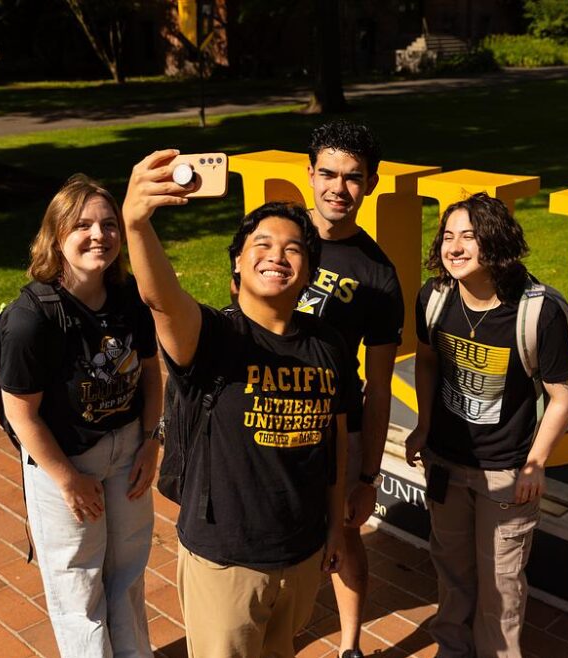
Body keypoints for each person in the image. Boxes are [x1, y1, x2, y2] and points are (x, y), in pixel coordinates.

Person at [121, 149, 352, 658]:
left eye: (294, 249)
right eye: (262, 244)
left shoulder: (327, 343)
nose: (278, 255)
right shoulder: (213, 336)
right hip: (226, 560)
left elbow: (332, 446)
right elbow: (161, 299)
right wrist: (136, 225)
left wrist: (334, 527)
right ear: (238, 262)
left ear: (310, 271)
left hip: (302, 549)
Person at [405, 192, 568, 658]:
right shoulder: (434, 297)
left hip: (506, 472)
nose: (454, 247)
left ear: (496, 244)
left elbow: (565, 393)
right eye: (448, 236)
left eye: (469, 237)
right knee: (451, 568)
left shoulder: (535, 312)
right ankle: (452, 650)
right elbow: (426, 361)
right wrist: (423, 425)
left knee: (501, 583)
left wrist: (535, 464)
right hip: (445, 460)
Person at [0, 174, 162, 658]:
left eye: (109, 224)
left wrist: (152, 440)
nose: (99, 235)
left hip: (129, 446)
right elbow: (20, 415)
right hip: (65, 460)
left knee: (128, 574)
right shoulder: (33, 317)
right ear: (56, 236)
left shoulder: (127, 295)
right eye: (83, 225)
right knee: (78, 587)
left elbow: (152, 373)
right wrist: (67, 479)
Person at [299, 120, 403, 658]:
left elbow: (380, 388)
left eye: (353, 177)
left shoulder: (379, 276)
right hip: (266, 413)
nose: (339, 188)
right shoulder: (274, 235)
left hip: (340, 429)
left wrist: (368, 475)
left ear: (373, 183)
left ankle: (350, 645)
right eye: (329, 174)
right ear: (309, 173)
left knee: (345, 533)